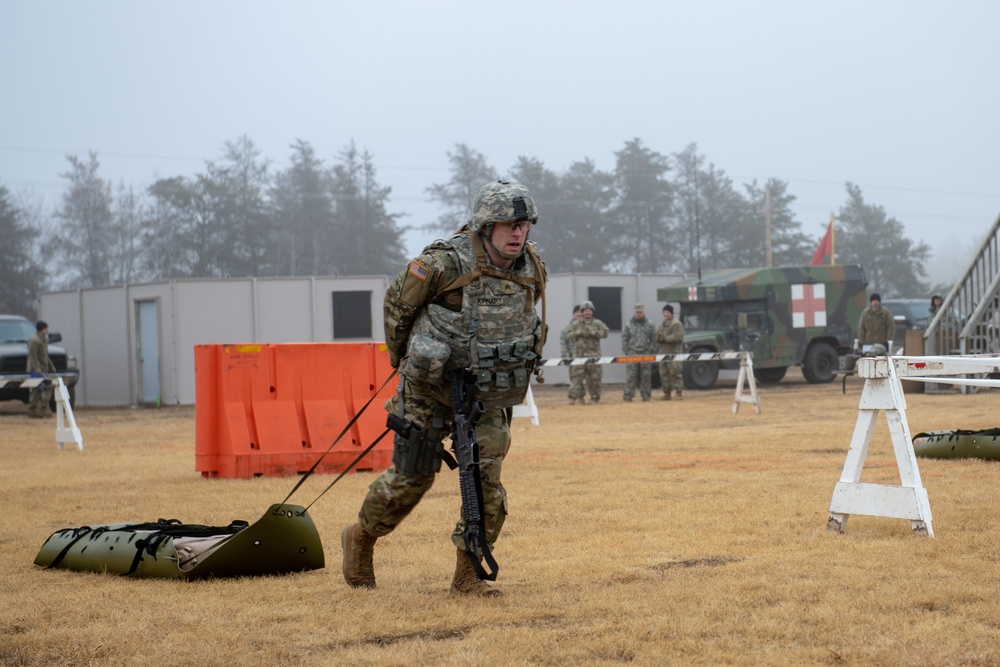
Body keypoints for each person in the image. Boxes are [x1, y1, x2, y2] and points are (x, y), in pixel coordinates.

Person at [341, 179, 546, 597]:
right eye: (508, 224)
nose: (517, 233)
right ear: (485, 226)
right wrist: (406, 362)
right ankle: (360, 538)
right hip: (428, 388)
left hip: (485, 392)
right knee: (412, 479)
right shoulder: (443, 264)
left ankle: (467, 577)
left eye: (524, 225)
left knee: (486, 482)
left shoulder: (532, 267)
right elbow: (397, 306)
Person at [564, 299, 608, 404]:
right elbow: (567, 335)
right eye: (585, 310)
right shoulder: (576, 324)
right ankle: (573, 399)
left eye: (590, 310)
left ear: (592, 311)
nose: (588, 312)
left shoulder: (597, 323)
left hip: (594, 356)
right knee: (576, 378)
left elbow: (605, 333)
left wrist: (594, 332)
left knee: (595, 379)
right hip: (579, 356)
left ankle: (594, 398)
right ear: (582, 312)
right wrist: (578, 332)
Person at [622, 303, 657, 402]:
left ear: (643, 312)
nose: (639, 314)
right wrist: (627, 351)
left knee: (645, 377)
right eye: (637, 312)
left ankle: (646, 396)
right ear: (634, 313)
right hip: (632, 353)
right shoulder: (628, 325)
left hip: (645, 353)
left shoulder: (650, 324)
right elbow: (625, 339)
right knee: (630, 377)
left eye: (640, 312)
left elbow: (654, 339)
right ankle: (628, 396)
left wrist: (651, 351)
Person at [27, 321, 57, 418]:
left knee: (43, 388)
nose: (47, 330)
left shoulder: (43, 340)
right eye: (46, 328)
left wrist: (51, 365)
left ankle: (38, 409)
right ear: (42, 329)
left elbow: (44, 355)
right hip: (36, 369)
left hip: (43, 368)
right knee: (39, 389)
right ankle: (38, 409)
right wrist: (37, 369)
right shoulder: (34, 341)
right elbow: (33, 357)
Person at [657, 304, 685, 400]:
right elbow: (658, 335)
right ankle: (667, 393)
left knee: (675, 373)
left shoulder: (676, 324)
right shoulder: (663, 324)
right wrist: (659, 338)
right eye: (664, 312)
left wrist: (665, 338)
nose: (666, 314)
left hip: (674, 353)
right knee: (664, 374)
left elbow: (678, 336)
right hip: (663, 353)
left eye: (667, 312)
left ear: (671, 313)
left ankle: (678, 393)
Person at [560, 304, 585, 405]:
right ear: (574, 314)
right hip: (573, 355)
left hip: (585, 355)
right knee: (575, 377)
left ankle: (575, 397)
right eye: (577, 312)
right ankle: (579, 397)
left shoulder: (586, 326)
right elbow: (563, 343)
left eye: (580, 312)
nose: (579, 314)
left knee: (579, 377)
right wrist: (564, 356)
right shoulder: (567, 328)